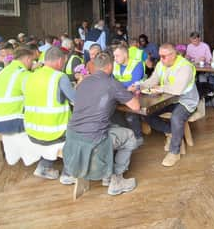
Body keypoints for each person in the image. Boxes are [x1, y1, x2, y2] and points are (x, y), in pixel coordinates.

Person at [62, 52, 140, 196]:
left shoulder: (83, 82)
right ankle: (116, 180)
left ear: (95, 66)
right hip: (94, 139)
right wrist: (129, 94)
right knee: (129, 136)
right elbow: (135, 106)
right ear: (110, 66)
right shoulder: (112, 83)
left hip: (72, 136)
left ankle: (107, 175)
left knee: (114, 127)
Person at [24, 46, 76, 180]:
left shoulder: (32, 75)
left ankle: (44, 167)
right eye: (63, 63)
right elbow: (76, 100)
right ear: (60, 61)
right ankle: (68, 174)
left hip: (32, 131)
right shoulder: (59, 77)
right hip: (53, 132)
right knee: (80, 134)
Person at [144, 43, 199, 167]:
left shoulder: (185, 67)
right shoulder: (161, 64)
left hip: (186, 101)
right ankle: (171, 132)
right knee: (147, 113)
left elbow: (178, 90)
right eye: (160, 56)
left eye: (164, 56)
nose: (161, 59)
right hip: (168, 100)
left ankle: (175, 152)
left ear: (173, 54)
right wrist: (140, 86)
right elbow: (153, 80)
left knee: (176, 118)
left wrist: (160, 88)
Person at [0, 47, 36, 134]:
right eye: (32, 60)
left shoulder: (3, 71)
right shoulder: (24, 74)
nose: (32, 63)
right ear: (27, 59)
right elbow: (36, 97)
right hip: (12, 122)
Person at [112, 45, 145, 146]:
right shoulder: (115, 64)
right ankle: (126, 135)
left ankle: (138, 137)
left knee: (131, 114)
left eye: (117, 56)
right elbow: (110, 80)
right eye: (114, 56)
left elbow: (134, 83)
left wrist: (117, 85)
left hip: (135, 95)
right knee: (112, 112)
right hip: (119, 94)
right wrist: (122, 86)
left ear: (125, 55)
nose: (115, 58)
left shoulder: (137, 64)